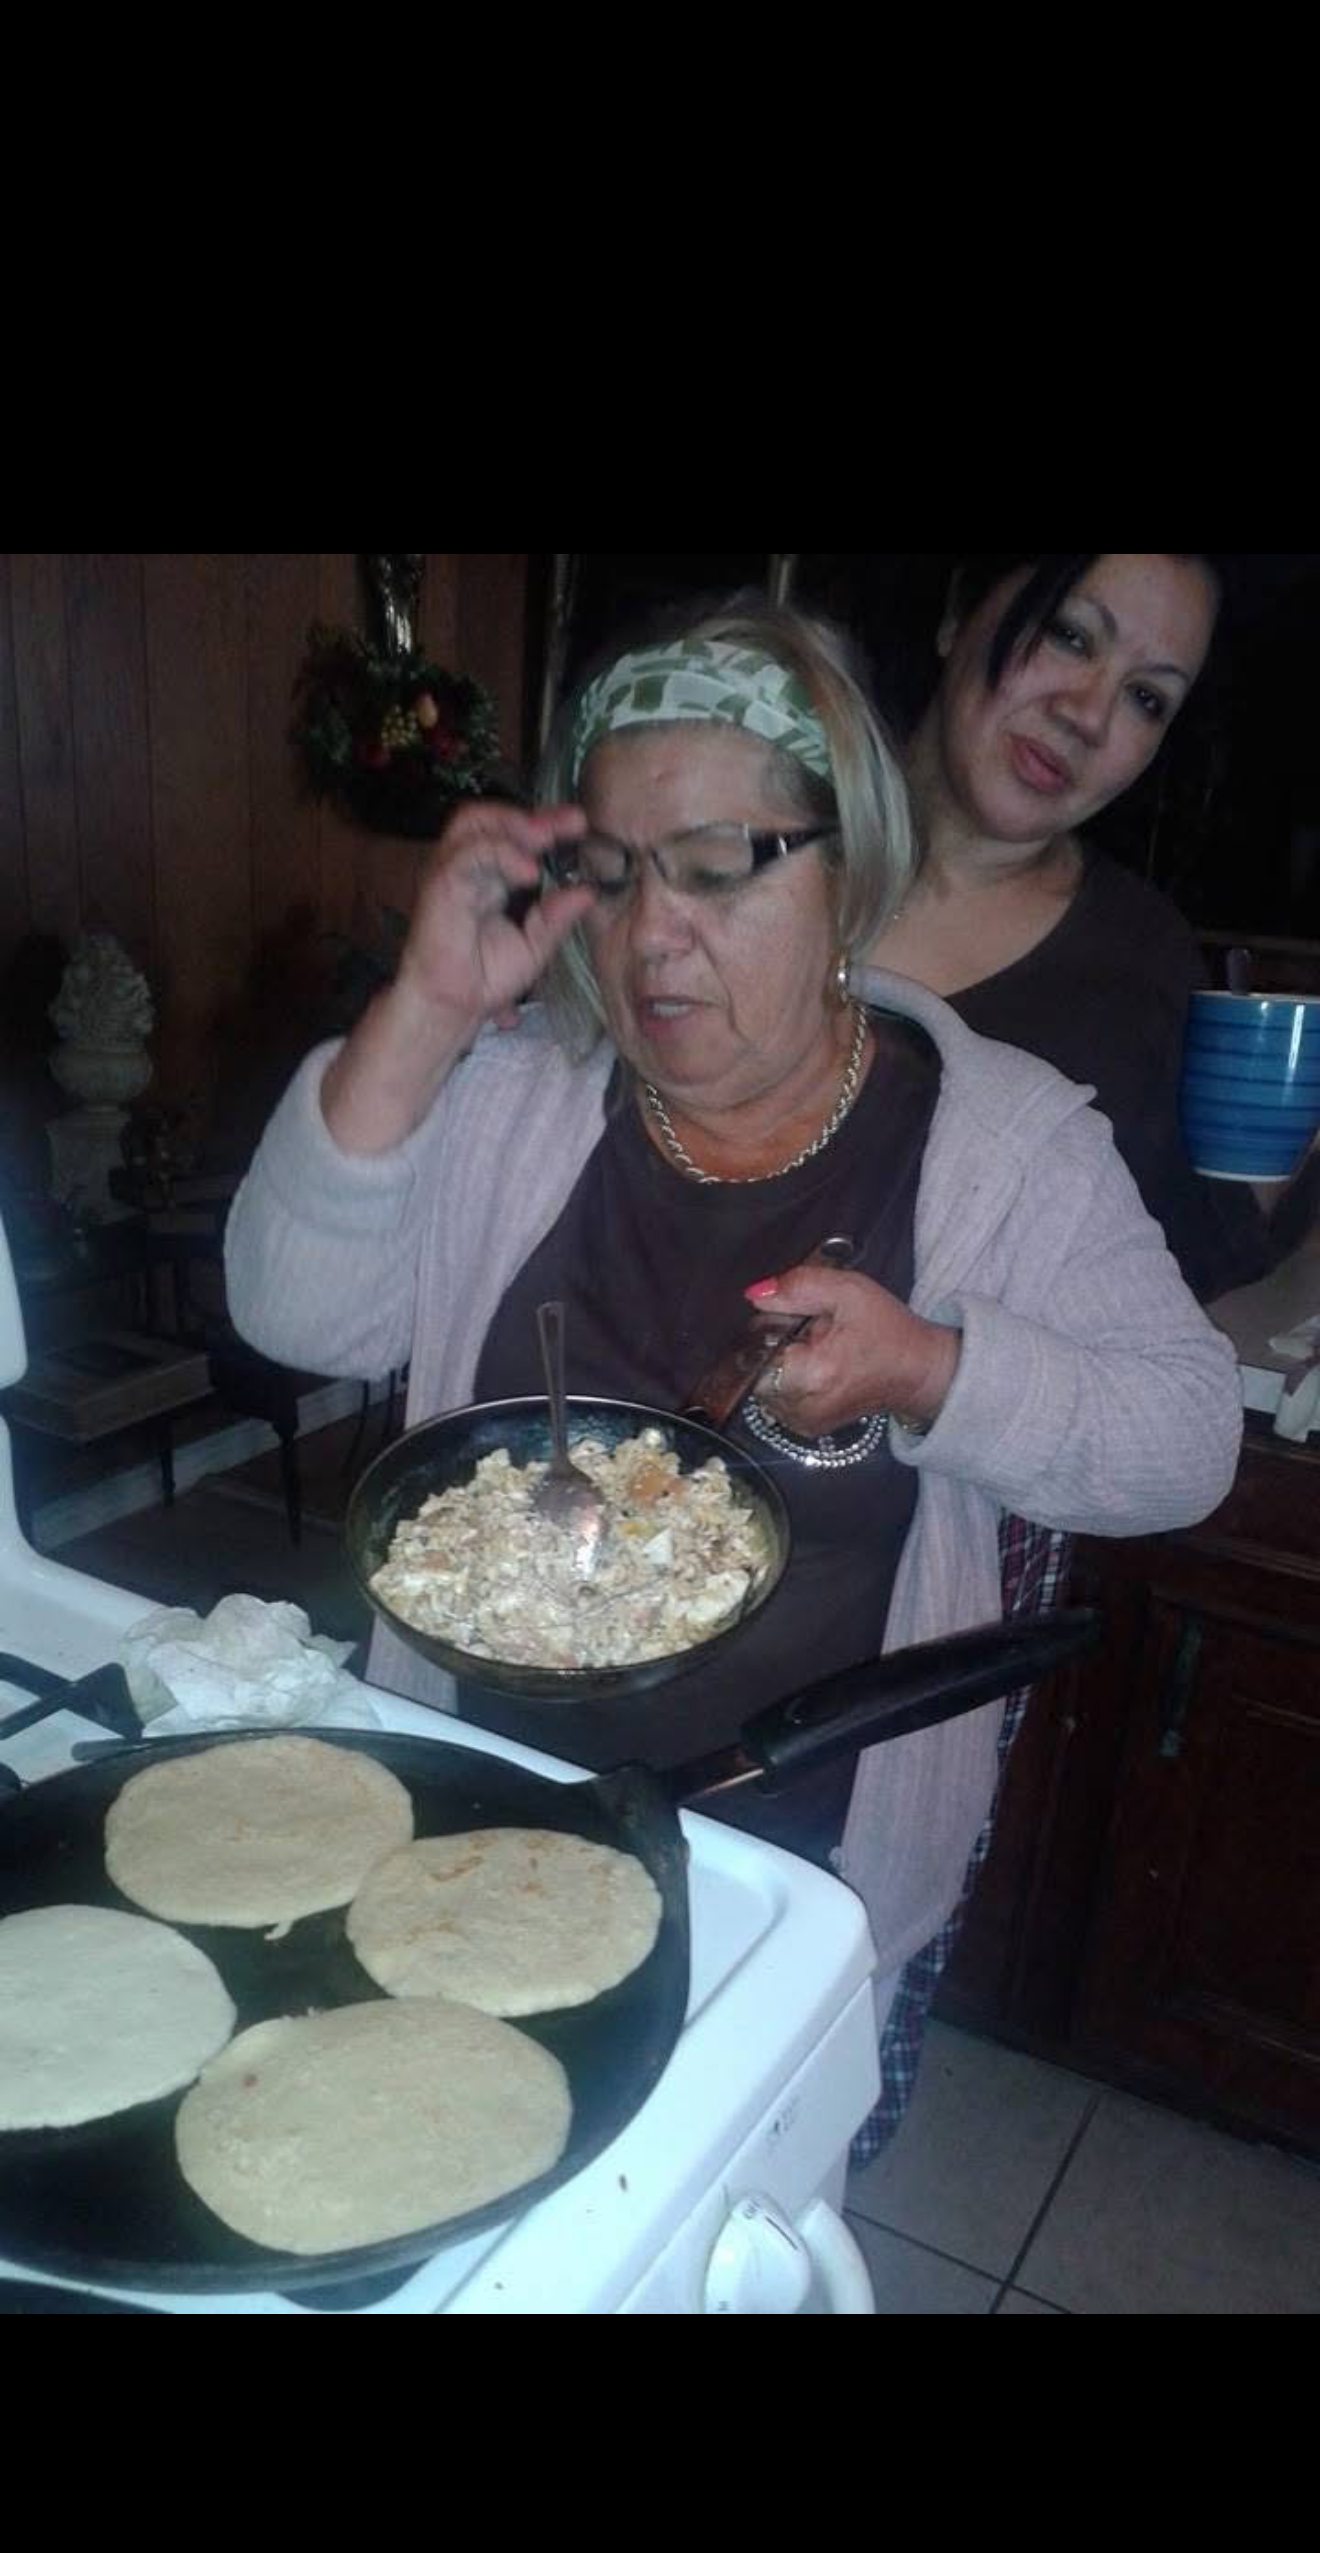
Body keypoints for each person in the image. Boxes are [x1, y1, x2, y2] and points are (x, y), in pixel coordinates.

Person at [224, 597, 1242, 2149]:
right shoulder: (517, 1097)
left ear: (853, 877)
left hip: (786, 1867)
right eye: (615, 878)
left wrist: (935, 1372)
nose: (650, 940)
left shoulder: (1006, 1144)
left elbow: (1184, 1443)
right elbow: (293, 1313)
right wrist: (428, 1006)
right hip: (470, 1804)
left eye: (714, 872)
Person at [876, 551, 1290, 1301]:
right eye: (1070, 635)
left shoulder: (1140, 965)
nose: (1089, 714)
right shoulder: (751, 840)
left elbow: (1167, 1286)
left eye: (1146, 698)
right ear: (957, 615)